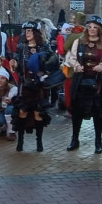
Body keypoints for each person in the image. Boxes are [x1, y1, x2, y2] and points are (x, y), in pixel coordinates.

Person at [65, 15, 102, 154]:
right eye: (90, 27)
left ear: (99, 29)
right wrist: (76, 66)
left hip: (99, 83)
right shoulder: (79, 42)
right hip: (81, 81)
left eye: (95, 27)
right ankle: (74, 139)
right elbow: (71, 57)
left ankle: (98, 141)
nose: (92, 29)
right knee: (77, 112)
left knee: (98, 112)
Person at [12, 21, 59, 153]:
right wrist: (14, 63)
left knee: (39, 113)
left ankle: (39, 142)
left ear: (35, 32)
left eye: (29, 31)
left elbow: (52, 62)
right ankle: (20, 141)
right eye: (25, 31)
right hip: (25, 84)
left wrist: (44, 68)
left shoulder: (44, 47)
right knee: (22, 111)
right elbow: (16, 59)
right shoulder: (22, 47)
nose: (27, 34)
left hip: (40, 85)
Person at [0, 72, 18, 139]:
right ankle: (4, 129)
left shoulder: (13, 88)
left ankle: (12, 132)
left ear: (7, 80)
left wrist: (9, 99)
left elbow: (12, 96)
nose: (0, 80)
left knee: (9, 109)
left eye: (3, 78)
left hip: (10, 108)